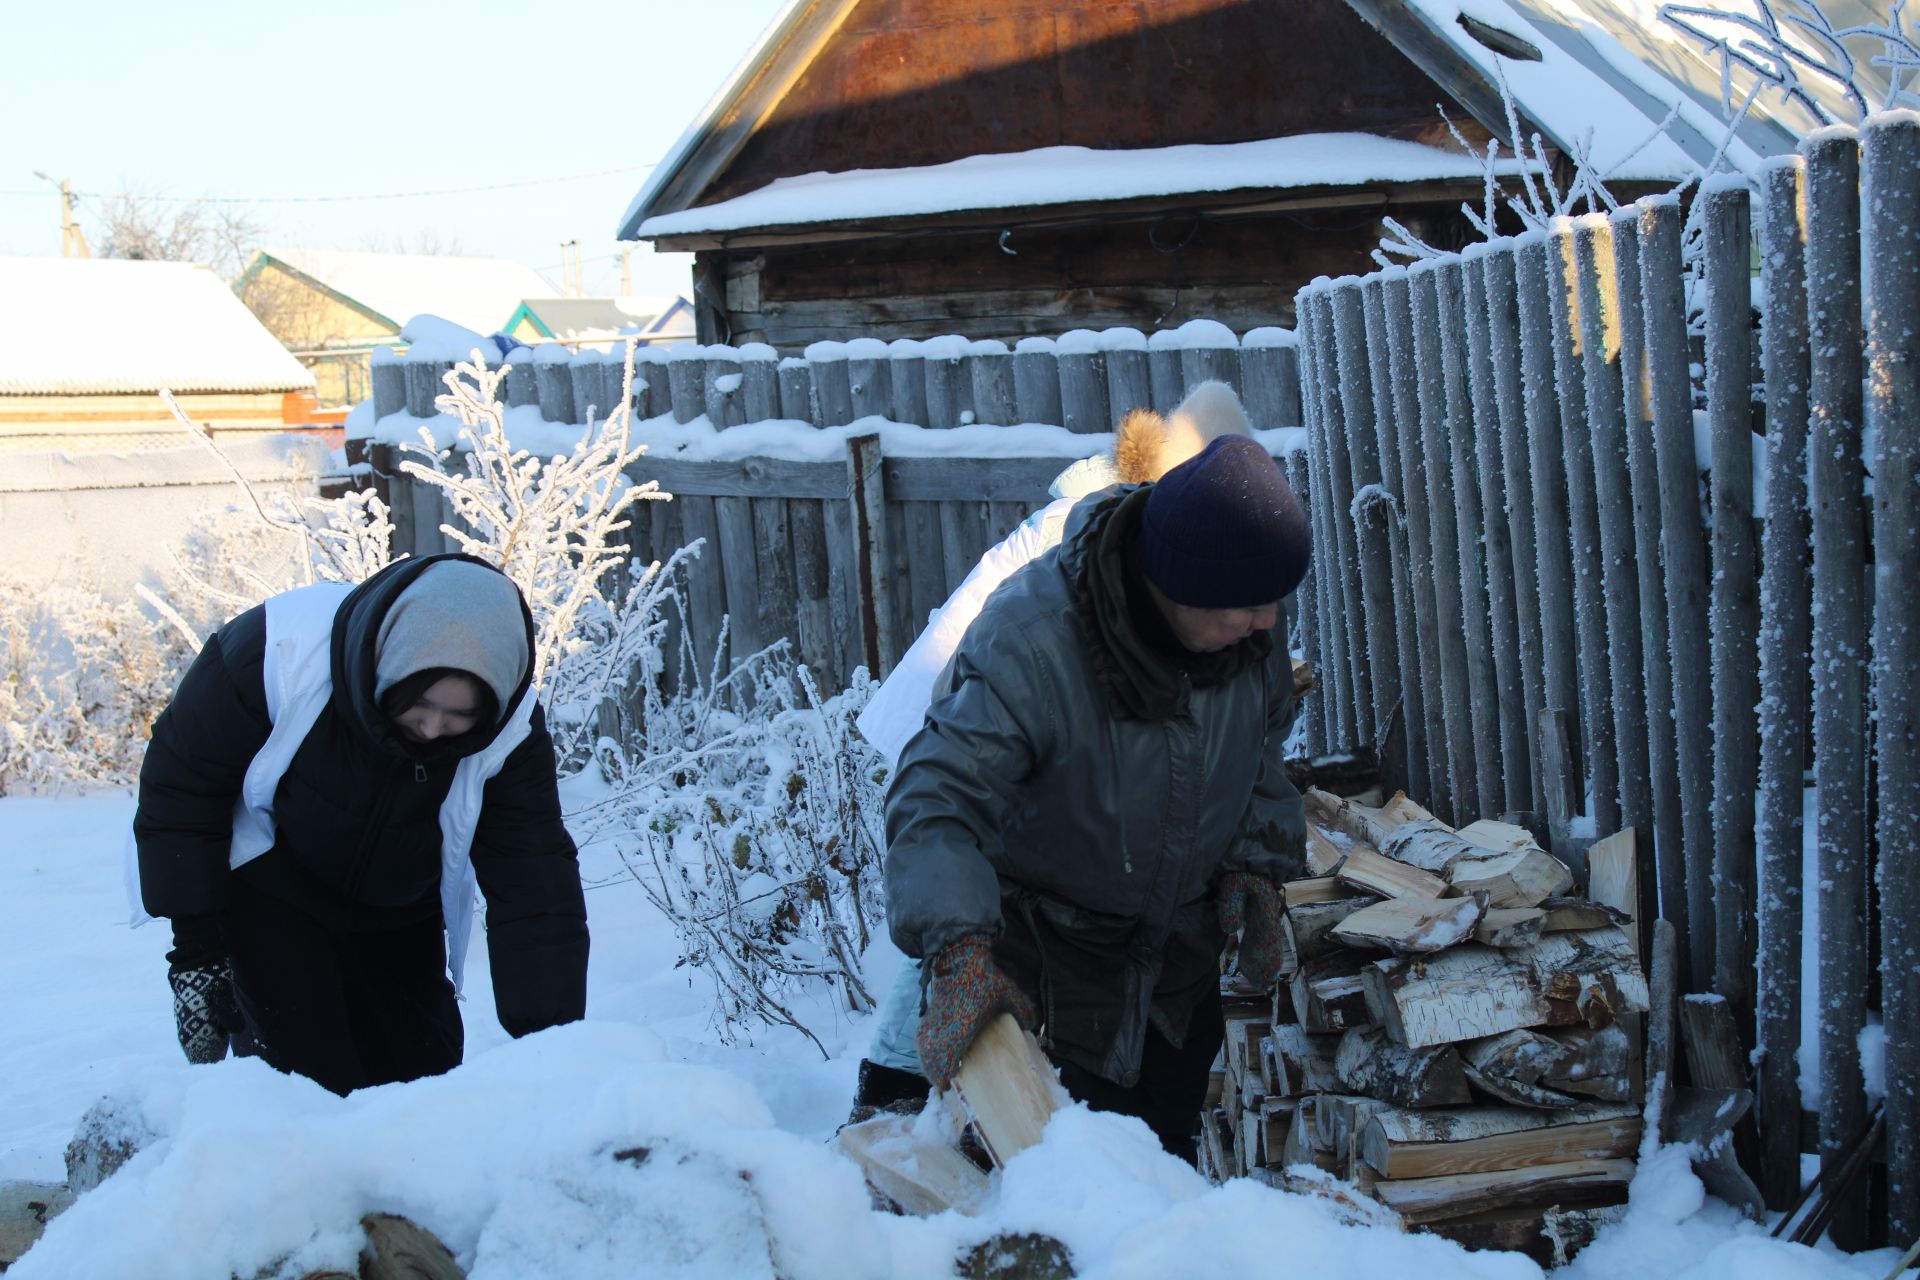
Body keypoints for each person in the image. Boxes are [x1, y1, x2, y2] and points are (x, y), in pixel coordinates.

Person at [880, 431, 1311, 1160]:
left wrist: (1254, 859)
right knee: (1052, 1211)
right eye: (1248, 605)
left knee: (1157, 1190)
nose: (1269, 623)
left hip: (1174, 987)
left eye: (1274, 602)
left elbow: (1259, 747)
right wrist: (957, 953)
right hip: (1048, 993)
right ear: (1179, 582)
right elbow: (936, 798)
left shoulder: (1243, 627)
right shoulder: (1032, 642)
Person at [131, 553, 589, 1095]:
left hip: (401, 907)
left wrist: (549, 1044)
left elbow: (532, 872)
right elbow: (182, 788)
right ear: (390, 668)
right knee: (309, 1090)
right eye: (420, 704)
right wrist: (198, 953)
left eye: (461, 716)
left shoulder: (509, 730)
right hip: (272, 888)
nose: (436, 727)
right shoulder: (279, 650)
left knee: (423, 1089)